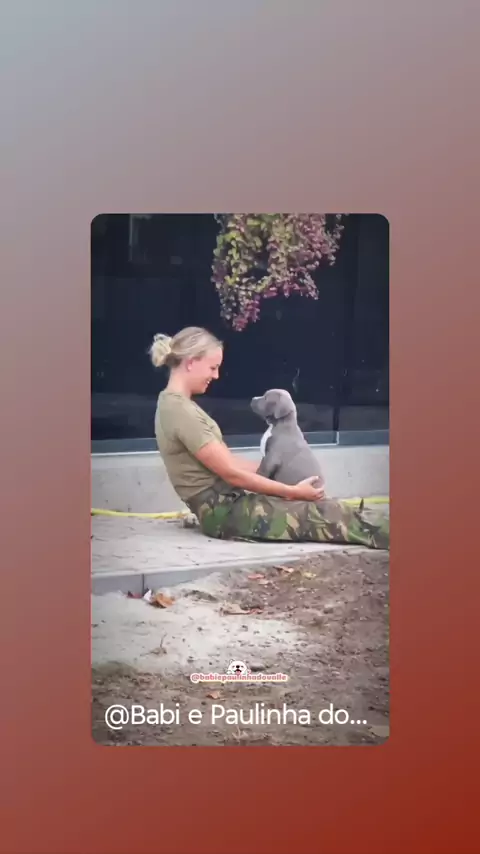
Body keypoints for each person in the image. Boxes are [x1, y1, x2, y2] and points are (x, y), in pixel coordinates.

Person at [150, 326, 389, 550]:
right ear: (191, 362)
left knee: (328, 508)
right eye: (213, 367)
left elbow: (228, 462)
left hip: (227, 506)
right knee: (329, 515)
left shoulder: (174, 405)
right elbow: (231, 474)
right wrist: (292, 492)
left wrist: (281, 472)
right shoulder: (181, 412)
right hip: (225, 513)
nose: (217, 375)